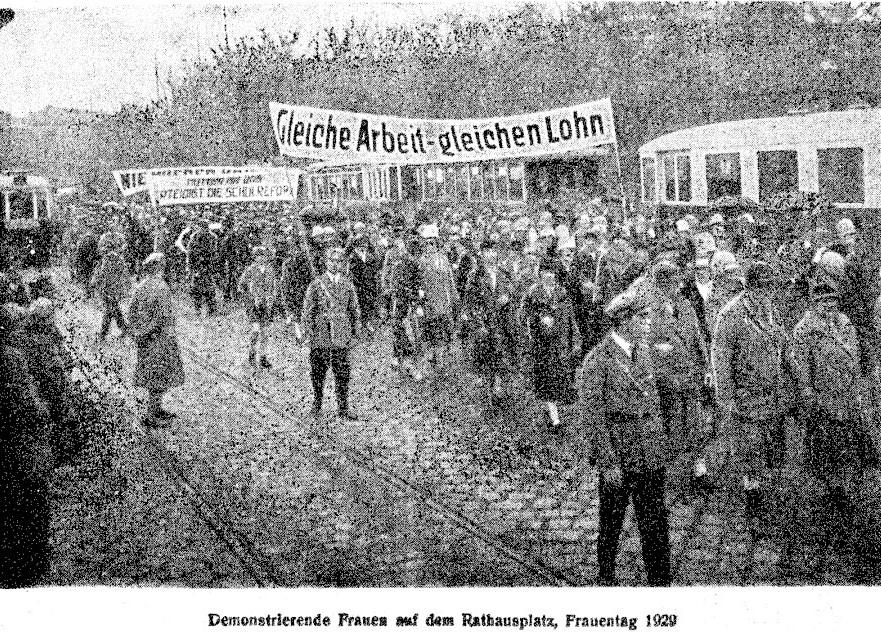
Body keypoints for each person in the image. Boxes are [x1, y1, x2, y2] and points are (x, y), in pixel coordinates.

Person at [580, 282, 671, 586]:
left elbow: (654, 401)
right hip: (620, 458)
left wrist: (660, 447)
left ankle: (661, 584)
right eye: (642, 317)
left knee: (656, 526)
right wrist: (608, 464)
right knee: (611, 526)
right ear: (624, 321)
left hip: (649, 455)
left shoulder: (643, 352)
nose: (647, 322)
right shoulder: (598, 361)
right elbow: (593, 419)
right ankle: (606, 579)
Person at [791, 280, 876, 576]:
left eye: (833, 300)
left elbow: (856, 356)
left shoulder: (844, 322)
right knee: (828, 448)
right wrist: (810, 397)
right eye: (824, 300)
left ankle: (844, 486)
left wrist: (858, 391)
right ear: (814, 302)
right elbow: (801, 368)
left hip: (848, 397)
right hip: (824, 401)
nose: (830, 305)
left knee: (849, 447)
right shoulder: (805, 329)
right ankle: (832, 489)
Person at [711, 261, 796, 538]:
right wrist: (727, 398)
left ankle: (762, 487)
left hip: (772, 396)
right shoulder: (731, 316)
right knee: (750, 451)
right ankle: (753, 497)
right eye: (763, 289)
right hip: (746, 399)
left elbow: (782, 344)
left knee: (771, 448)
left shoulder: (770, 310)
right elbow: (720, 362)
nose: (768, 294)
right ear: (750, 288)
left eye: (771, 288)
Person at [301, 246, 362, 419]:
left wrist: (356, 331)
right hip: (321, 334)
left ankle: (343, 408)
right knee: (318, 371)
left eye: (339, 261)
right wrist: (308, 331)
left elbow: (354, 309)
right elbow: (307, 311)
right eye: (332, 261)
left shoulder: (347, 284)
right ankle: (317, 403)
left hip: (341, 334)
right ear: (326, 262)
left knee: (342, 372)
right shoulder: (316, 284)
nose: (335, 264)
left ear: (343, 264)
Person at [127, 252, 185, 427]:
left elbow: (131, 311)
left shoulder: (141, 286)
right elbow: (163, 316)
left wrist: (139, 331)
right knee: (159, 376)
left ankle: (156, 409)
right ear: (159, 268)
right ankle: (152, 415)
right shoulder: (161, 287)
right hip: (160, 337)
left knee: (152, 374)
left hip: (145, 337)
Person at [522, 257, 577, 430]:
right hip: (542, 344)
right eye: (546, 272)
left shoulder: (562, 292)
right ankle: (554, 417)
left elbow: (570, 317)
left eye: (552, 273)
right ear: (540, 274)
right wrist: (539, 319)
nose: (549, 276)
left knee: (558, 377)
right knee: (547, 378)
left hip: (559, 343)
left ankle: (553, 411)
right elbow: (524, 315)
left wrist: (574, 338)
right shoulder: (533, 292)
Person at [238, 245, 279, 368]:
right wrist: (250, 299)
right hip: (254, 306)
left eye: (263, 256)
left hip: (266, 305)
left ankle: (263, 357)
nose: (261, 258)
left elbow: (274, 286)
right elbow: (241, 286)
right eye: (258, 256)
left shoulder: (270, 270)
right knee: (256, 330)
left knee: (265, 333)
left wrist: (272, 298)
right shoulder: (250, 270)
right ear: (254, 257)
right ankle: (252, 352)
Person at [90, 232, 130, 341]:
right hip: (113, 289)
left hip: (109, 289)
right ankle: (124, 328)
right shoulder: (117, 259)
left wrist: (94, 283)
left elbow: (102, 274)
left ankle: (103, 333)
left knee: (109, 310)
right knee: (114, 310)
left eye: (105, 248)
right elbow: (124, 275)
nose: (103, 250)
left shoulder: (107, 260)